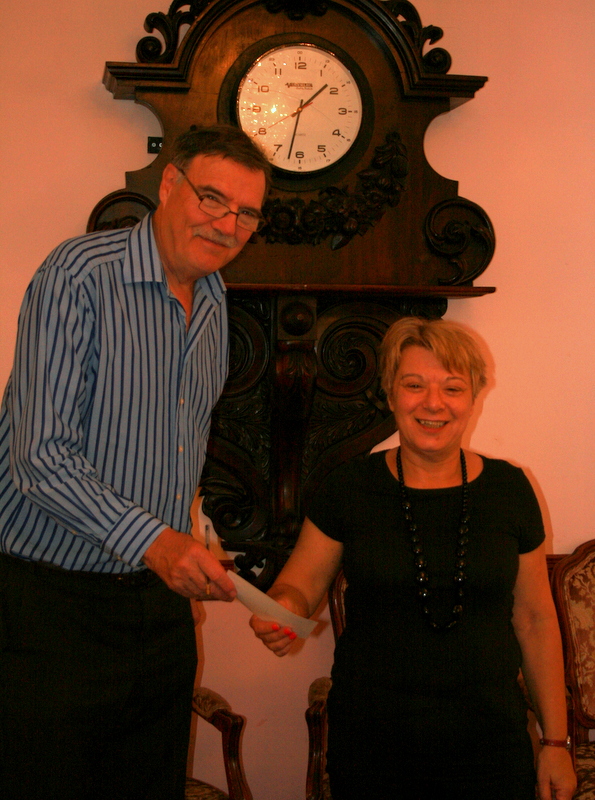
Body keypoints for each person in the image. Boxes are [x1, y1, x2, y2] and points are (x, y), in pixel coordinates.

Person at [0, 125, 271, 800]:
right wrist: (158, 543)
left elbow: (174, 451)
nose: (227, 224)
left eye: (246, 213)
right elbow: (39, 457)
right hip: (49, 609)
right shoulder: (78, 275)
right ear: (169, 185)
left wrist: (190, 544)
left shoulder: (214, 300)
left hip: (157, 609)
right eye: (213, 198)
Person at [250, 317, 576, 800]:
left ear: (473, 398)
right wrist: (282, 610)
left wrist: (554, 742)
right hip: (373, 748)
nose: (433, 403)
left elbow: (535, 619)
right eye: (414, 385)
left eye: (452, 388)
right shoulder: (349, 486)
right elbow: (300, 586)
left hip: (490, 747)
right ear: (390, 393)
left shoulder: (510, 488)